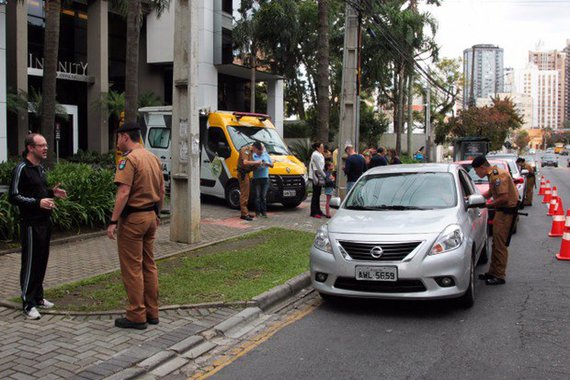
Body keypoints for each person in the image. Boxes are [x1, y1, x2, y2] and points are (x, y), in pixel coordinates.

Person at [107, 122, 165, 329]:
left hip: (133, 220)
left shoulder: (129, 160)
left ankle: (136, 314)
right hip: (150, 216)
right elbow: (162, 190)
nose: (117, 143)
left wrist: (113, 221)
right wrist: (158, 213)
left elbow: (123, 193)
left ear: (124, 137)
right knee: (149, 265)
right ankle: (153, 312)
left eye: (117, 138)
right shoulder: (153, 157)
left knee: (132, 268)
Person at [9, 133, 67, 320]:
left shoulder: (39, 168)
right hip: (31, 224)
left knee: (42, 261)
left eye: (46, 145)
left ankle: (38, 297)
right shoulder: (21, 169)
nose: (45, 148)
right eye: (41, 145)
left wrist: (52, 193)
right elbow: (14, 196)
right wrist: (37, 203)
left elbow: (38, 192)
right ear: (30, 148)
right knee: (31, 263)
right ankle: (28, 303)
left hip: (44, 222)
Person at [472, 156, 519, 285]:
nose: (476, 173)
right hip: (501, 212)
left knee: (500, 245)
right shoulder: (492, 174)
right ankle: (493, 272)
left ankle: (499, 275)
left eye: (476, 171)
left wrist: (487, 205)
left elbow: (503, 197)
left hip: (505, 213)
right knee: (495, 243)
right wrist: (478, 198)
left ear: (482, 167)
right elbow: (492, 192)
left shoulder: (497, 176)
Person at [237, 143, 263, 221]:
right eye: (256, 151)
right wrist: (256, 162)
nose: (255, 153)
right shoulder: (245, 150)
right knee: (244, 193)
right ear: (254, 148)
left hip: (246, 173)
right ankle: (244, 214)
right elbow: (245, 162)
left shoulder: (251, 152)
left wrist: (258, 164)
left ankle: (245, 212)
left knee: (247, 193)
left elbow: (250, 164)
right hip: (243, 173)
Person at [252, 142, 273, 218]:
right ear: (257, 150)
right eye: (259, 151)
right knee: (257, 196)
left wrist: (267, 164)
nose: (260, 153)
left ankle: (264, 212)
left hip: (265, 178)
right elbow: (251, 167)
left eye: (261, 151)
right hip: (256, 178)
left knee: (263, 196)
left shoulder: (266, 155)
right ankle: (257, 212)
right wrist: (257, 165)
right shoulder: (253, 156)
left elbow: (272, 165)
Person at [309, 142, 326, 218]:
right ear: (317, 148)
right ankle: (313, 212)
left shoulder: (320, 154)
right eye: (321, 147)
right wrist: (325, 176)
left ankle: (318, 210)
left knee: (318, 194)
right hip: (316, 175)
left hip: (320, 175)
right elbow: (318, 167)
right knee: (315, 194)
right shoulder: (315, 154)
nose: (323, 148)